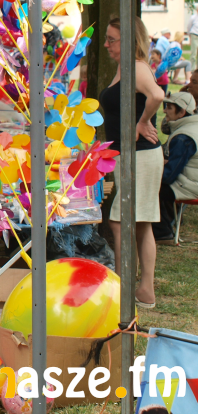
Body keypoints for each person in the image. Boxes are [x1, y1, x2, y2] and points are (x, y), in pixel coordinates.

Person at [100, 16, 164, 309]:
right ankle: (141, 290)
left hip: (141, 155)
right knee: (139, 223)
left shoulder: (136, 67)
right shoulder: (124, 67)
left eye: (111, 39)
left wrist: (143, 121)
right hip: (130, 156)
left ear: (127, 41)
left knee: (119, 222)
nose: (106, 45)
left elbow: (157, 95)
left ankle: (124, 288)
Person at [154, 92, 198, 242]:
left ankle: (161, 232)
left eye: (169, 107)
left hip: (191, 187)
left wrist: (155, 168)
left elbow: (168, 176)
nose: (165, 110)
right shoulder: (191, 128)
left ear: (182, 112)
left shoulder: (183, 137)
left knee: (148, 186)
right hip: (191, 182)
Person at [189, 8, 198, 72]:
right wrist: (189, 34)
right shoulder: (193, 17)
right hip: (194, 35)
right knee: (194, 53)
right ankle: (192, 69)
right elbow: (189, 26)